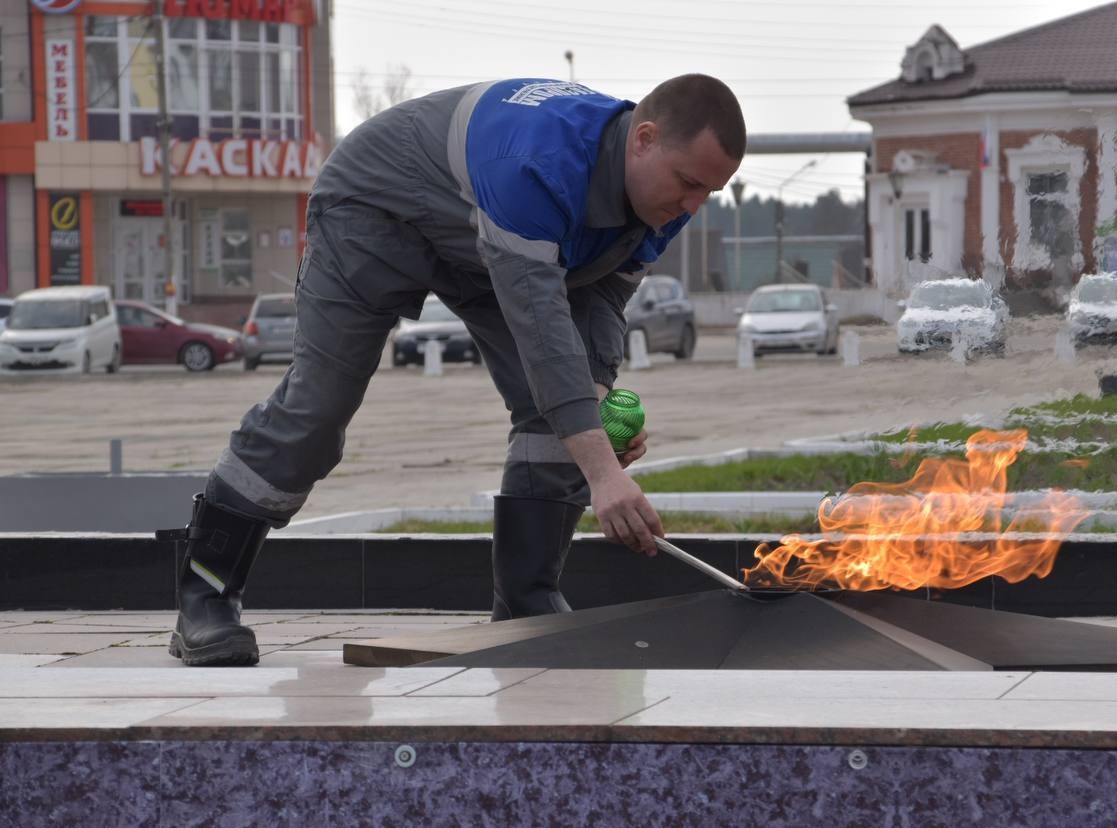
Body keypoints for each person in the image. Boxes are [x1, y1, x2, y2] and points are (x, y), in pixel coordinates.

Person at [158, 74, 746, 666]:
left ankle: (525, 605)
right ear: (643, 139)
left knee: (560, 418)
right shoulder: (535, 168)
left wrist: (592, 421)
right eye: (689, 184)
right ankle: (205, 596)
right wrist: (601, 473)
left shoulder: (662, 197)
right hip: (375, 210)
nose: (692, 206)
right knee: (316, 411)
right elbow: (544, 335)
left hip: (479, 240)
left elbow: (599, 310)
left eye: (710, 193)